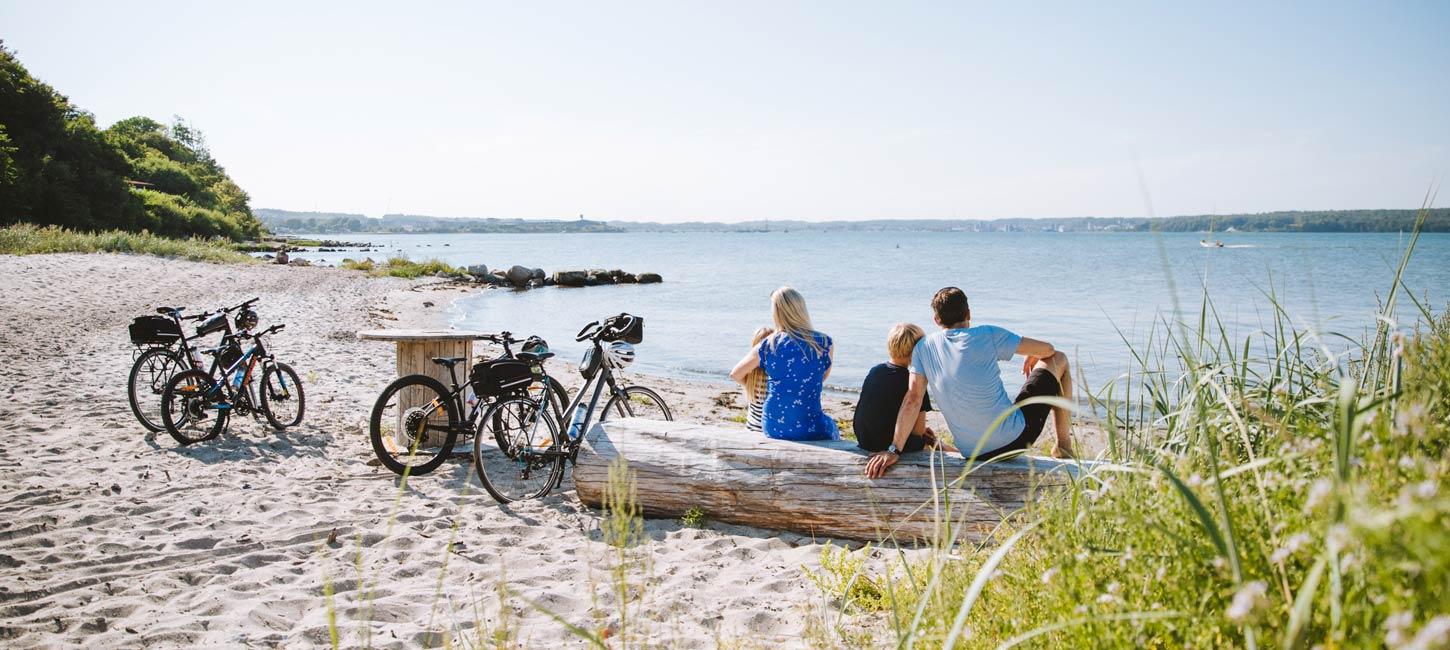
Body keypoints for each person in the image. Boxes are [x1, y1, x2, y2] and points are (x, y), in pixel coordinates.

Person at [865, 287, 1073, 478]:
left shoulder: (923, 348)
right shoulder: (988, 334)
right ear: (969, 314)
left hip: (971, 452)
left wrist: (894, 450)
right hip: (1014, 441)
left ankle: (1062, 447)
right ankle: (1063, 447)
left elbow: (913, 399)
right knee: (1060, 358)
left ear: (936, 320)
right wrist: (1035, 354)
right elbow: (1049, 350)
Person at [730, 287, 839, 441]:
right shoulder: (824, 342)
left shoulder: (769, 343)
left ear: (777, 313)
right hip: (810, 424)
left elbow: (735, 373)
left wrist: (756, 386)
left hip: (773, 426)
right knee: (832, 427)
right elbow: (821, 378)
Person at [853, 323, 956, 454]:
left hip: (865, 440)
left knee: (928, 439)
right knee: (927, 443)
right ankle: (947, 450)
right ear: (917, 351)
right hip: (888, 445)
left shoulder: (875, 371)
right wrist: (927, 438)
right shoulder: (913, 382)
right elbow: (918, 433)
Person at [741, 326, 774, 432]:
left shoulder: (750, 376)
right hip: (769, 429)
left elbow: (735, 375)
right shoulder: (774, 376)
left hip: (751, 428)